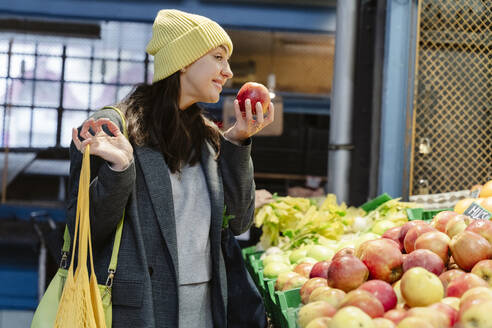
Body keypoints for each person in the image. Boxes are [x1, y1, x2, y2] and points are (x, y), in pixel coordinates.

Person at [67, 9, 274, 328]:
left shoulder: (206, 139)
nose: (228, 71)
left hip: (204, 313)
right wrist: (120, 169)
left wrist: (239, 140)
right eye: (218, 57)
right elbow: (84, 228)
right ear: (184, 60)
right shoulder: (113, 129)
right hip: (136, 313)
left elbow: (238, 222)